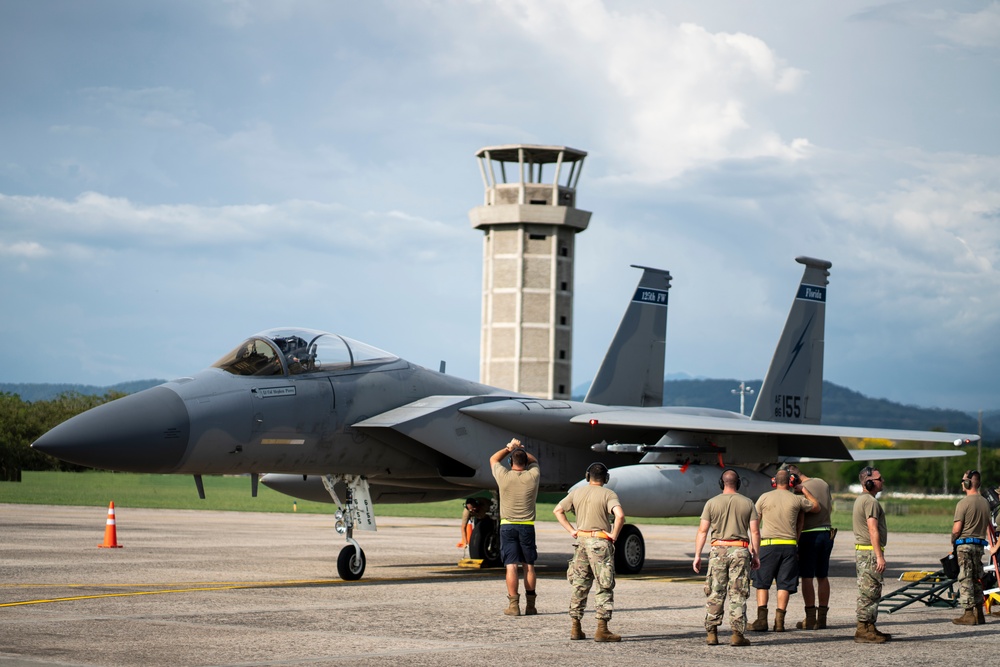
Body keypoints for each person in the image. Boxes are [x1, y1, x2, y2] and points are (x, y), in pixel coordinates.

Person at [554, 462, 625, 642]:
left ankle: (575, 628)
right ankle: (602, 629)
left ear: (587, 477)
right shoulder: (608, 494)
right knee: (604, 584)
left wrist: (572, 530)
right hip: (600, 542)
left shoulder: (576, 492)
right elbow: (620, 515)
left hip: (581, 542)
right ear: (606, 478)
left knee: (579, 584)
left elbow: (558, 510)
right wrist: (614, 535)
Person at [694, 468, 761, 647]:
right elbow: (755, 531)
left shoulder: (711, 503)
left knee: (716, 591)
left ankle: (712, 634)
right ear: (737, 483)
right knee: (738, 593)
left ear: (721, 483)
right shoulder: (748, 503)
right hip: (740, 550)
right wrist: (756, 554)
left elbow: (702, 531)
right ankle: (737, 635)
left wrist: (698, 555)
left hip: (718, 550)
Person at [749, 468, 819, 633]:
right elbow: (816, 507)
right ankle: (779, 622)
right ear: (790, 482)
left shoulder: (764, 498)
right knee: (784, 584)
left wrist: (754, 546)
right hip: (789, 546)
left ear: (774, 482)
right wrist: (804, 490)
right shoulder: (796, 499)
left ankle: (761, 621)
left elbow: (755, 524)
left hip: (767, 545)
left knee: (762, 583)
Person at [489, 437, 541, 616]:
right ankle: (531, 605)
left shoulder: (504, 476)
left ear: (511, 462)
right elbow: (534, 461)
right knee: (529, 566)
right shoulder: (533, 475)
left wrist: (510, 447)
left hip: (507, 526)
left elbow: (493, 459)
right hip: (527, 526)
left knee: (511, 566)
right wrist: (520, 451)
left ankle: (513, 606)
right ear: (525, 463)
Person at [784, 464, 834, 630]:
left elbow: (800, 516)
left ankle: (811, 618)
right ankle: (822, 619)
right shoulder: (823, 483)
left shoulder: (800, 490)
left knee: (807, 576)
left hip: (809, 535)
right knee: (822, 576)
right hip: (827, 533)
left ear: (793, 478)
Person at [853, 466, 890, 643]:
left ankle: (869, 626)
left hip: (866, 552)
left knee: (872, 591)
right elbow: (872, 529)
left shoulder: (864, 500)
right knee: (869, 591)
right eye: (879, 478)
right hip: (869, 553)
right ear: (869, 482)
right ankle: (862, 629)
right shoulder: (870, 502)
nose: (882, 481)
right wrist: (879, 556)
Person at [951, 469, 992, 625]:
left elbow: (956, 529)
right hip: (978, 546)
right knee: (976, 578)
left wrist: (953, 541)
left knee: (965, 578)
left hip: (965, 545)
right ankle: (979, 613)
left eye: (963, 481)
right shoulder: (985, 502)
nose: (962, 483)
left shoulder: (963, 503)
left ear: (967, 483)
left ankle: (968, 614)